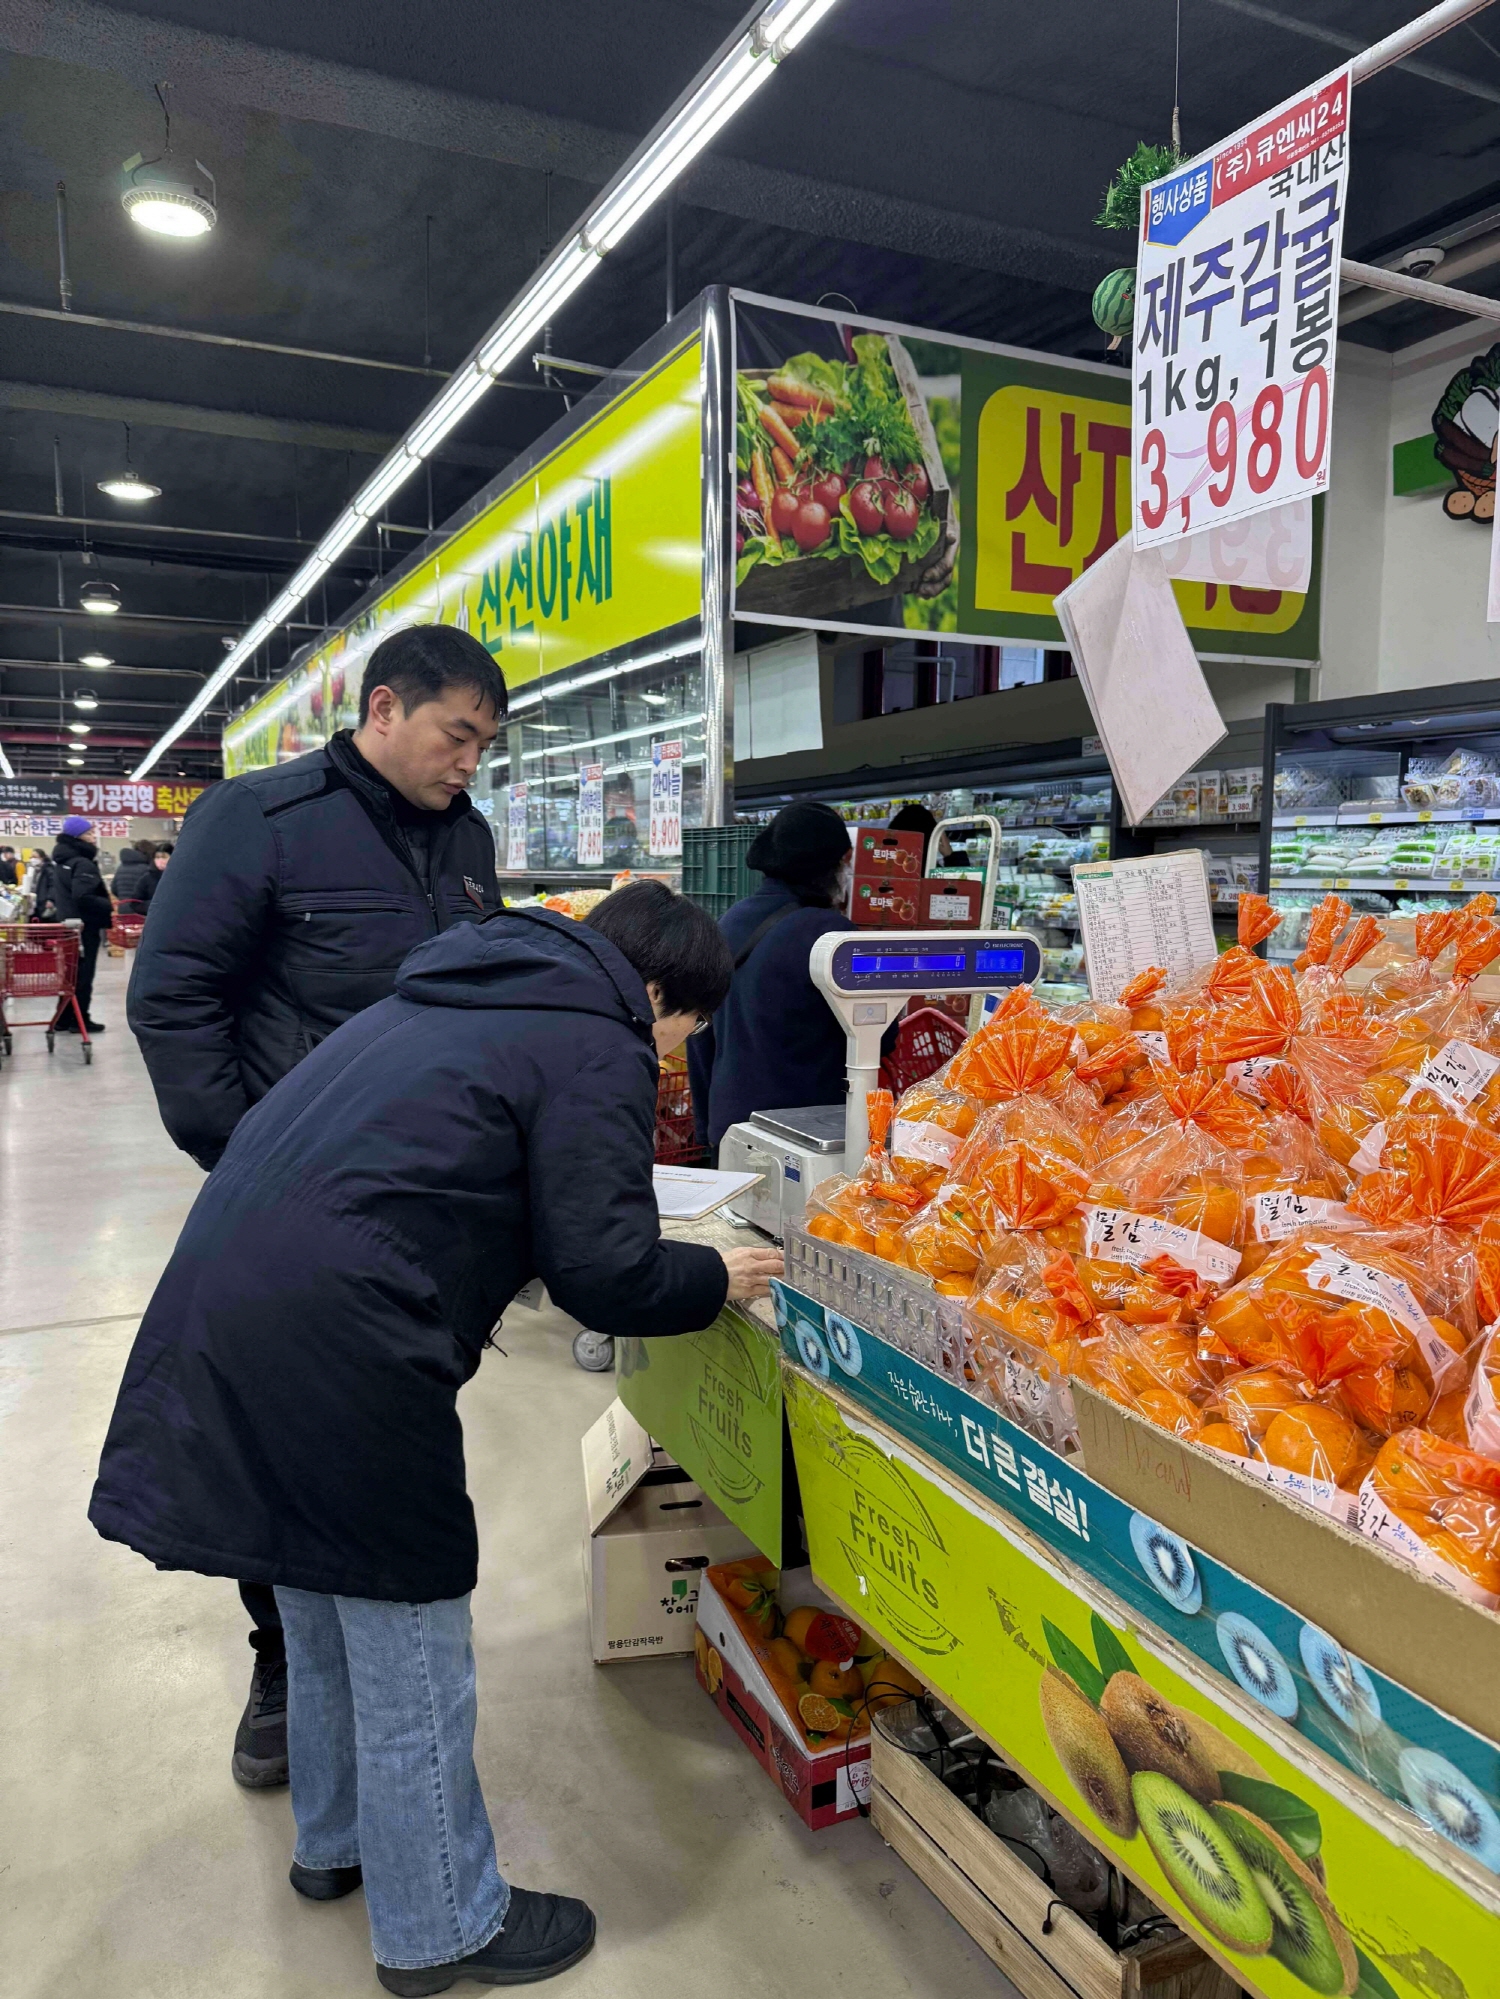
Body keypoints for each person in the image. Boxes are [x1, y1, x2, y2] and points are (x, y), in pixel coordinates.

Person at [89, 881, 782, 1993]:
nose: (669, 1057)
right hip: (347, 1336)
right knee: (408, 1619)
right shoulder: (596, 1036)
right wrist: (713, 1273)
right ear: (659, 995)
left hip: (232, 1298)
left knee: (317, 1593)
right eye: (682, 1033)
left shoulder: (444, 992)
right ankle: (440, 1925)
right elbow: (603, 1272)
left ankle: (334, 1840)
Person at [128, 622, 508, 1794]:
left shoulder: (470, 839)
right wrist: (247, 1155)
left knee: (384, 1434)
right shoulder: (258, 818)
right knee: (284, 1429)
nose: (470, 763)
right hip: (291, 1197)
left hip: (426, 1201)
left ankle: (363, 1644)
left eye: (486, 746)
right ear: (383, 707)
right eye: (457, 735)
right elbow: (173, 995)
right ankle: (283, 1656)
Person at [688, 801, 879, 1150]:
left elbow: (698, 1035)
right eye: (845, 862)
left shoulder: (729, 922)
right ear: (831, 865)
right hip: (804, 1137)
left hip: (731, 1127)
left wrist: (706, 1130)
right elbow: (878, 1034)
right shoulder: (832, 937)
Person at [47, 815, 114, 1032]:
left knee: (71, 974)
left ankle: (63, 1018)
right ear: (77, 837)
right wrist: (108, 905)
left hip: (67, 924)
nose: (94, 837)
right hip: (84, 926)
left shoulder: (62, 860)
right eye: (89, 833)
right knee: (84, 974)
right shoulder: (82, 863)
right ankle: (80, 1020)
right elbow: (83, 896)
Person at [111, 838, 156, 915]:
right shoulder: (147, 869)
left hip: (123, 910)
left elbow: (114, 889)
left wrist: (124, 898)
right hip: (142, 910)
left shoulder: (121, 868)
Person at [137, 839, 173, 908]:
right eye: (157, 857)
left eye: (164, 857)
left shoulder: (181, 877)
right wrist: (153, 906)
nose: (160, 860)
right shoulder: (146, 878)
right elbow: (136, 903)